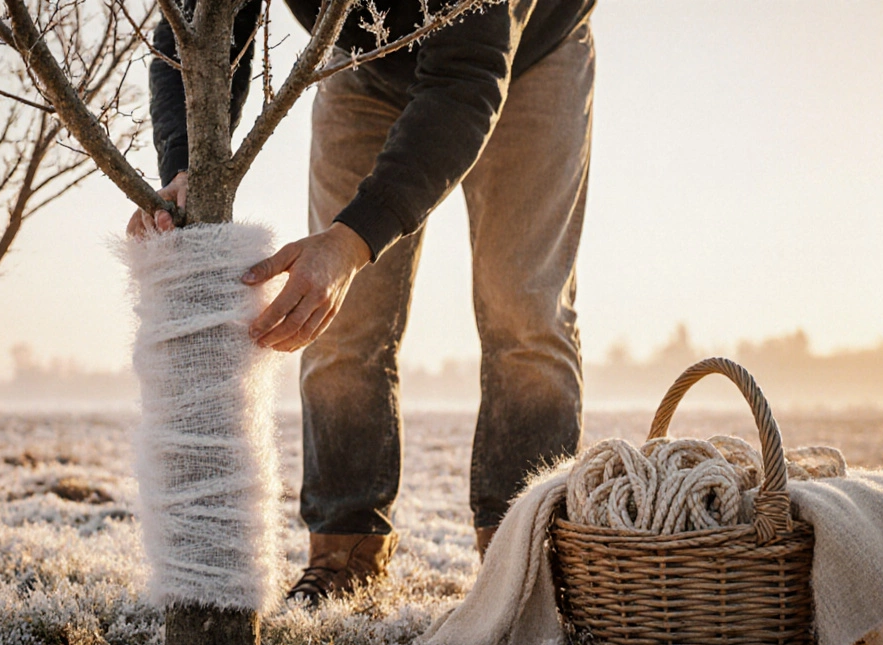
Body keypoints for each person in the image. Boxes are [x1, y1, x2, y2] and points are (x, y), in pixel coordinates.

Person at [128, 0, 596, 605]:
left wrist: (351, 241)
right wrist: (187, 165)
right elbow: (198, 27)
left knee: (526, 314)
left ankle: (527, 563)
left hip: (527, 53)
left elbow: (465, 78)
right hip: (365, 60)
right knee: (339, 325)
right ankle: (345, 550)